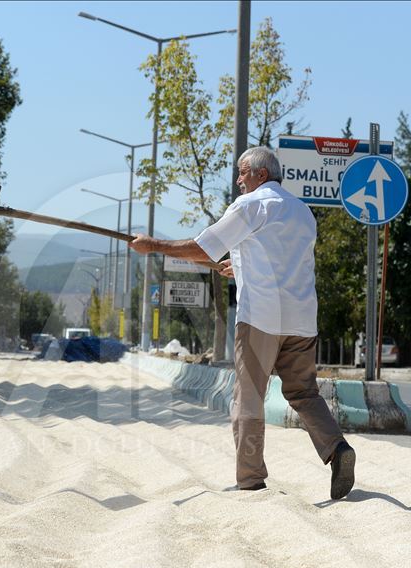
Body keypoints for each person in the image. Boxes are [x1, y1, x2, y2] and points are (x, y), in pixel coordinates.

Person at [129, 146, 355, 499]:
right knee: (304, 393)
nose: (238, 181)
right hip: (302, 320)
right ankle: (337, 449)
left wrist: (154, 245)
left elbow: (205, 248)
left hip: (261, 318)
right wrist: (242, 267)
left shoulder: (252, 205)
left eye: (242, 172)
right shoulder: (303, 212)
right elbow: (279, 258)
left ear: (261, 175)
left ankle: (250, 480)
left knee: (248, 397)